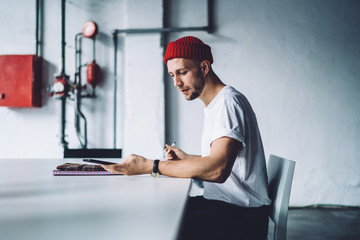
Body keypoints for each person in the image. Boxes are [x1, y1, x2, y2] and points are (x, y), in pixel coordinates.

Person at [102, 36, 271, 240]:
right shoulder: (216, 105)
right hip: (226, 206)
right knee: (158, 210)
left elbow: (218, 169)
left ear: (204, 67)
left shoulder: (228, 103)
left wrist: (150, 166)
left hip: (240, 218)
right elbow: (224, 162)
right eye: (172, 75)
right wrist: (188, 158)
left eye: (182, 72)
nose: (176, 82)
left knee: (157, 224)